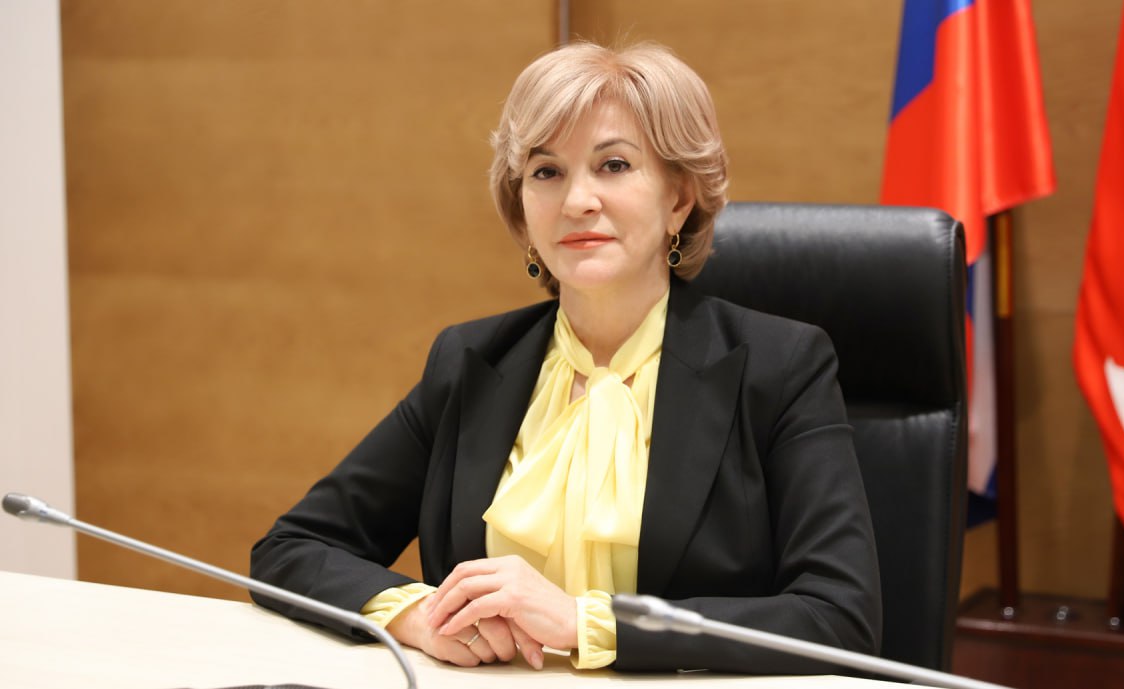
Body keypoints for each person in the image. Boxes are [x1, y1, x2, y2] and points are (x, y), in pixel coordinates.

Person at [250, 41, 881, 675]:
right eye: (546, 172)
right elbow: (292, 546)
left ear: (679, 199)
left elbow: (839, 617)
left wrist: (586, 624)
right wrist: (416, 614)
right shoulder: (469, 362)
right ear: (523, 208)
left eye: (614, 165)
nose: (578, 200)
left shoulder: (780, 366)